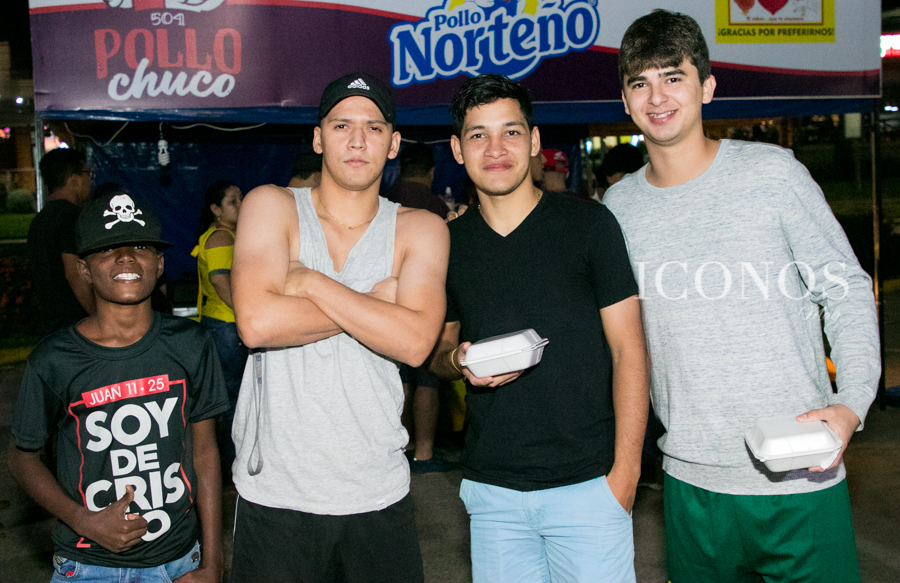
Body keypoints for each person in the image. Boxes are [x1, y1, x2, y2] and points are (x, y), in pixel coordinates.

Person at [604, 10, 879, 583]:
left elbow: (845, 288)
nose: (657, 96)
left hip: (799, 470)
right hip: (689, 482)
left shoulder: (773, 175)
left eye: (673, 77)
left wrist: (853, 402)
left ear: (706, 86)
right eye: (640, 83)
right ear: (626, 101)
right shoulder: (619, 208)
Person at [229, 72, 449, 583]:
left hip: (377, 490)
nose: (356, 140)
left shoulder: (420, 228)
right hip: (276, 493)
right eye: (341, 125)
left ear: (393, 144)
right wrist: (374, 305)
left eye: (373, 128)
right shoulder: (273, 205)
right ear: (318, 138)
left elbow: (416, 343)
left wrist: (309, 282)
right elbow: (257, 323)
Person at [430, 73, 650, 583]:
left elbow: (629, 350)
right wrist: (459, 362)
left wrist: (626, 474)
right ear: (458, 150)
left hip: (589, 485)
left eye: (510, 132)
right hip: (493, 492)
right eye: (478, 134)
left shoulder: (590, 226)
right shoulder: (447, 244)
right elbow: (438, 350)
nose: (496, 149)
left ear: (533, 141)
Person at [8, 190, 228, 582]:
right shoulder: (54, 359)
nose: (126, 257)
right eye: (108, 248)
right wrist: (82, 519)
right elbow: (22, 458)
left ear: (159, 264)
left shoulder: (191, 344)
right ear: (83, 269)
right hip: (90, 565)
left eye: (141, 246)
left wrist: (213, 560)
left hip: (181, 560)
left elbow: (205, 453)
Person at [384, 142, 457, 473]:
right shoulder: (434, 206)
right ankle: (424, 453)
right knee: (427, 376)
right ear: (431, 172)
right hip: (426, 299)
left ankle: (401, 447)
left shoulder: (383, 201)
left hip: (386, 299)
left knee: (398, 376)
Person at [192, 180, 247, 482]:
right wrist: (245, 315)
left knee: (232, 395)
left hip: (223, 324)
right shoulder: (222, 238)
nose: (240, 204)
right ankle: (232, 464)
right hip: (226, 325)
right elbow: (220, 280)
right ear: (216, 209)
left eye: (241, 198)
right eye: (232, 201)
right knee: (233, 397)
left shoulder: (225, 235)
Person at [28, 149, 95, 338]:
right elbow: (74, 274)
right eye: (87, 174)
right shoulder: (71, 217)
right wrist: (99, 318)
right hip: (74, 328)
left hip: (50, 326)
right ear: (74, 180)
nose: (90, 181)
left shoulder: (40, 219)